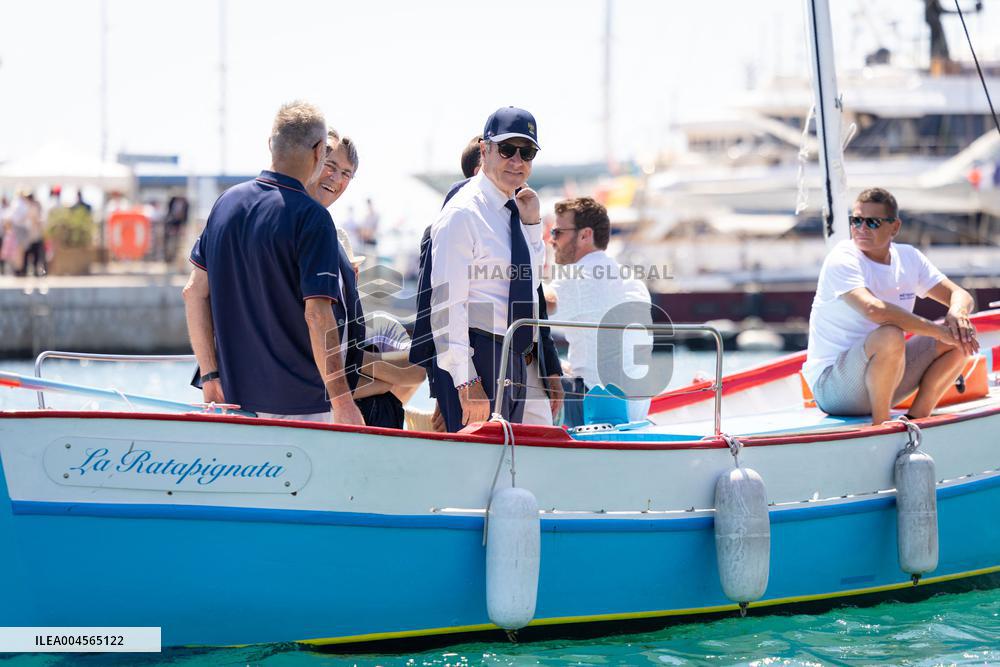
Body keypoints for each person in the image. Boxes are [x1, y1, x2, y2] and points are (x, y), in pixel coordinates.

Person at [183, 100, 364, 425]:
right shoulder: (313, 219)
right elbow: (317, 314)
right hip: (302, 406)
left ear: (271, 144)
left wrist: (210, 376)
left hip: (232, 403)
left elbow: (193, 292)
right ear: (319, 151)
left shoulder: (225, 204)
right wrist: (343, 401)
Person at [411, 132, 563, 431]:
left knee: (530, 452)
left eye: (527, 153)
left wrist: (551, 369)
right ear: (485, 156)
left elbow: (531, 289)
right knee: (483, 460)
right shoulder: (459, 214)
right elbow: (440, 305)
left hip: (522, 358)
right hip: (480, 355)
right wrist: (457, 382)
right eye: (507, 151)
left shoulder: (518, 212)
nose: (516, 162)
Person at [802, 187, 978, 425]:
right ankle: (881, 425)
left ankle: (916, 419)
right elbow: (874, 310)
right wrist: (938, 332)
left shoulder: (908, 257)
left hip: (885, 379)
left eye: (872, 222)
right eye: (856, 221)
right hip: (833, 388)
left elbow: (959, 294)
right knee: (890, 333)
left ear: (894, 227)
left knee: (960, 338)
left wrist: (958, 313)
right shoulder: (842, 257)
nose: (861, 229)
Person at [546, 197, 654, 427]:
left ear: (585, 235)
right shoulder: (630, 278)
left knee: (525, 364)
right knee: (557, 363)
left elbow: (534, 304)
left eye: (557, 232)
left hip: (598, 411)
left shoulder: (579, 275)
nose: (551, 240)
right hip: (635, 411)